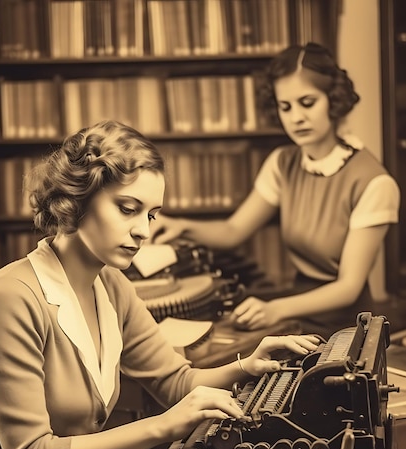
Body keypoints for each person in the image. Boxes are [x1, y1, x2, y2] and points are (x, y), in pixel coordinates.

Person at [0, 120, 320, 449]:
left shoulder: (113, 286)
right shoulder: (10, 299)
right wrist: (164, 426)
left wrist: (244, 365)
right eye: (128, 209)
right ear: (75, 200)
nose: (143, 230)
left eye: (152, 213)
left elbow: (175, 383)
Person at [151, 42, 400, 339]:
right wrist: (180, 226)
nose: (296, 117)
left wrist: (275, 309)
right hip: (296, 310)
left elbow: (348, 287)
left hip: (346, 326)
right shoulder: (283, 162)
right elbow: (233, 231)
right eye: (286, 107)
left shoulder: (374, 182)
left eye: (307, 103)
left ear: (333, 101)